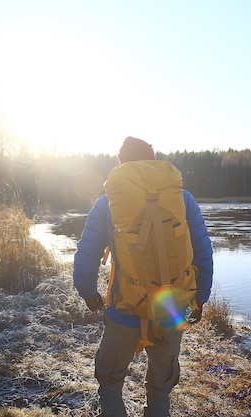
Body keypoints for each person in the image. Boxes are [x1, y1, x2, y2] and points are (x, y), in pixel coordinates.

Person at [73, 136, 214, 417]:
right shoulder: (183, 199)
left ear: (122, 164)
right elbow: (203, 252)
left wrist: (88, 293)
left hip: (124, 308)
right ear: (153, 161)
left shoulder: (107, 203)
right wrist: (200, 298)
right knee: (160, 389)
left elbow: (86, 255)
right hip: (171, 309)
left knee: (111, 384)